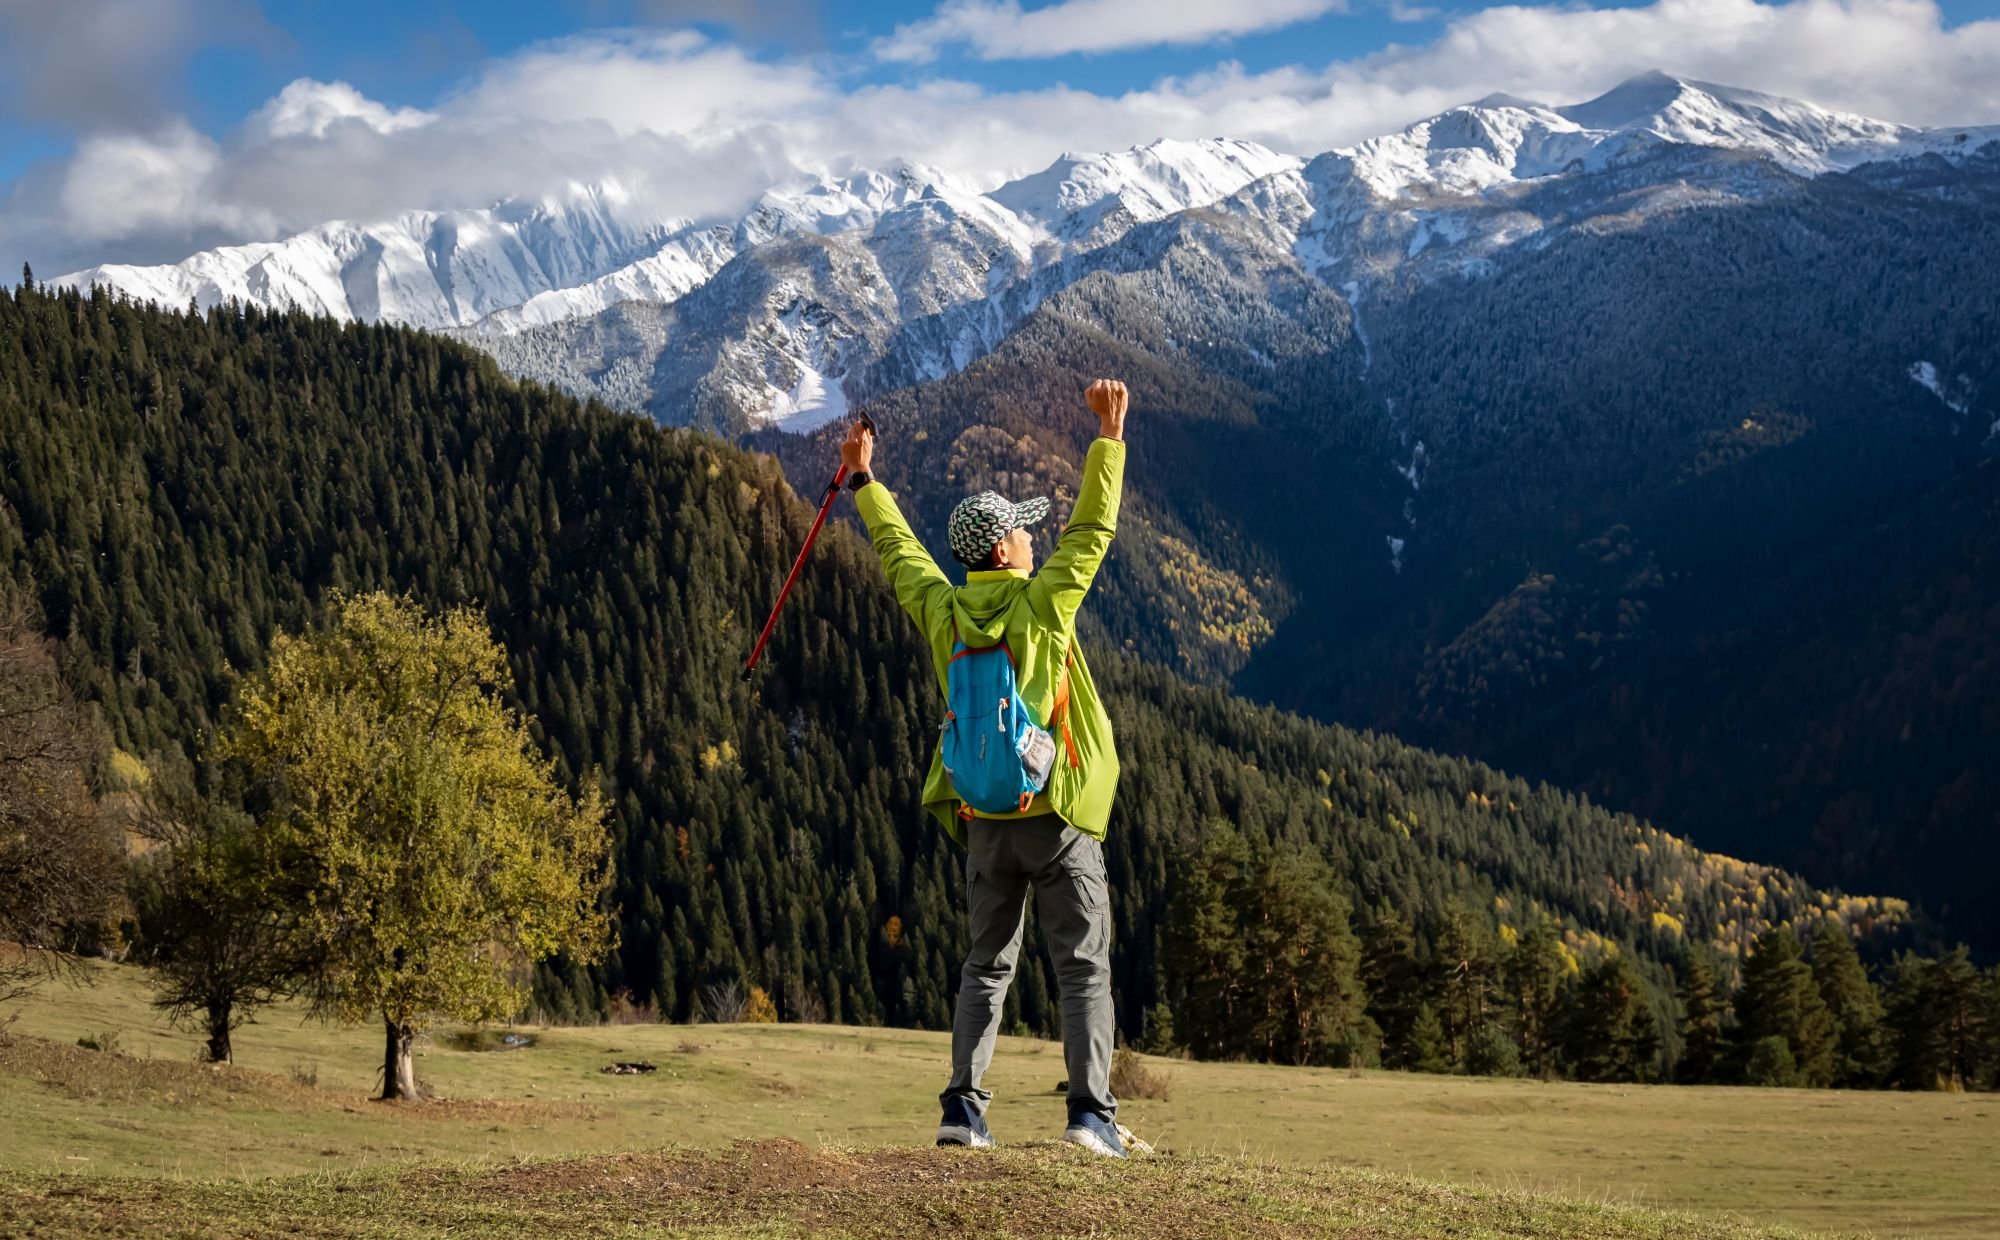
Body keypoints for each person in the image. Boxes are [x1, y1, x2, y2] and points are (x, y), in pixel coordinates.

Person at [841, 378, 1129, 1158]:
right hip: (1054, 816)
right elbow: (1092, 531)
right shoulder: (1041, 607)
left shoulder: (942, 611)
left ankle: (962, 1112)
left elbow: (900, 553)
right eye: (1024, 533)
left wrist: (863, 480)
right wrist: (1108, 438)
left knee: (985, 968)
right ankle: (1090, 1118)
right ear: (1004, 550)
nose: (1035, 539)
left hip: (983, 824)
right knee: (1082, 968)